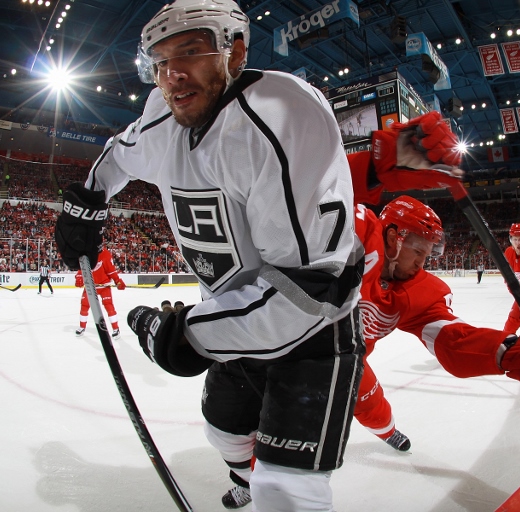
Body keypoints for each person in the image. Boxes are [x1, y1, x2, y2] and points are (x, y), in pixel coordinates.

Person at [54, 1, 364, 510]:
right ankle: (244, 478)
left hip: (314, 330)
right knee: (223, 432)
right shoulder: (162, 117)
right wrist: (87, 200)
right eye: (159, 61)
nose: (172, 74)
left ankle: (265, 485)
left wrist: (188, 334)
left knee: (288, 490)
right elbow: (119, 152)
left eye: (191, 51)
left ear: (235, 51)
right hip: (234, 314)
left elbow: (306, 296)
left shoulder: (280, 115)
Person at [350, 196, 520, 454]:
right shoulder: (356, 235)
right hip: (293, 332)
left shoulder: (420, 291)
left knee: (367, 399)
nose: (422, 264)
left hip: (342, 357)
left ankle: (388, 430)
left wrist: (511, 353)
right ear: (393, 236)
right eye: (418, 251)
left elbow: (454, 341)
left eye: (427, 255)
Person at [74, 247, 126, 339]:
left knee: (108, 305)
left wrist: (117, 280)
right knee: (84, 305)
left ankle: (115, 328)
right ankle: (82, 327)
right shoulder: (86, 252)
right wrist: (79, 277)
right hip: (90, 285)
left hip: (104, 285)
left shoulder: (105, 254)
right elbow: (81, 267)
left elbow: (111, 270)